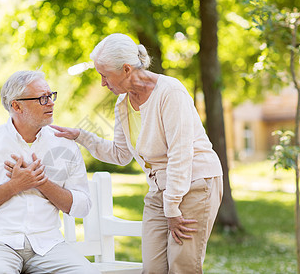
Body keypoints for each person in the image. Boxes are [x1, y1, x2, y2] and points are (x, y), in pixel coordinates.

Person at [51, 33, 223, 274]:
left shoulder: (170, 92)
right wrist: (81, 136)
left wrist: (172, 208)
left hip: (194, 183)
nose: (102, 83)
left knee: (181, 267)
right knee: (152, 269)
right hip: (159, 190)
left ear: (126, 69)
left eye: (105, 75)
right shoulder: (123, 103)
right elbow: (120, 154)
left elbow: (180, 154)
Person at [0, 70, 100, 274]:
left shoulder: (65, 145)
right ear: (16, 105)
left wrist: (41, 183)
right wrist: (14, 186)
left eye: (50, 95)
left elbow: (82, 207)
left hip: (48, 245)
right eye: (41, 98)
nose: (50, 103)